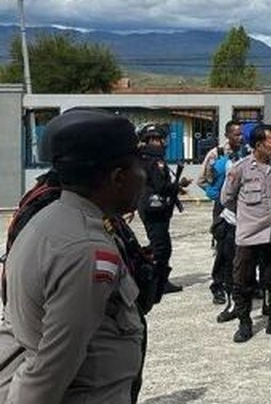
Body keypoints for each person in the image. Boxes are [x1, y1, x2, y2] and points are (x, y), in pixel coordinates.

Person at [0, 110, 154, 403]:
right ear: (118, 177)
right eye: (139, 168)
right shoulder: (86, 249)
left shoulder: (49, 219)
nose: (144, 178)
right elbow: (51, 366)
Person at [221, 124, 271, 342]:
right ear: (259, 145)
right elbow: (227, 199)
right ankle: (244, 323)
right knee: (243, 282)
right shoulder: (240, 168)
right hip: (249, 236)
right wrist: (248, 217)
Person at [137, 122, 190, 299]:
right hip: (154, 210)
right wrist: (177, 186)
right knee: (160, 247)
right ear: (150, 140)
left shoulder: (145, 159)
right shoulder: (152, 161)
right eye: (160, 139)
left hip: (157, 209)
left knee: (160, 245)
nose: (164, 143)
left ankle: (160, 280)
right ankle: (155, 281)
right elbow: (160, 186)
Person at [198, 120, 246, 310]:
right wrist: (214, 194)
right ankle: (218, 285)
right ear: (227, 135)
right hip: (222, 207)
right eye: (236, 134)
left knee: (242, 246)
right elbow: (202, 180)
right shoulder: (215, 154)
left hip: (242, 206)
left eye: (241, 134)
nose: (240, 137)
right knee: (224, 248)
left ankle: (240, 283)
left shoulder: (246, 153)